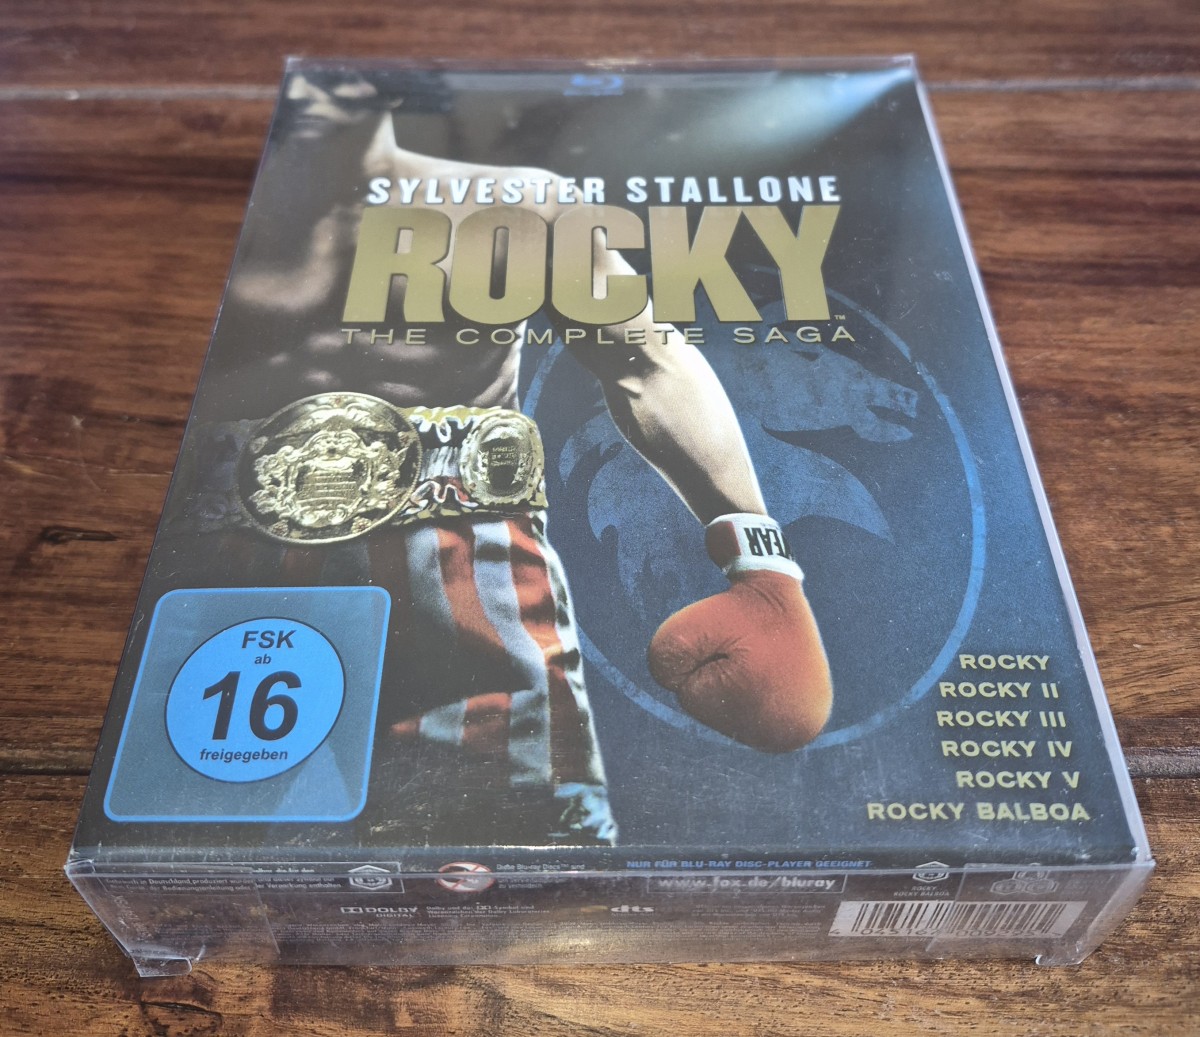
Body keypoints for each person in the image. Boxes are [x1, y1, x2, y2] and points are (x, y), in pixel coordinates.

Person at [188, 69, 833, 846]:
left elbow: (649, 361)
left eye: (346, 67)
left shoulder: (514, 205)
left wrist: (765, 571)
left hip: (462, 567)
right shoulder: (197, 222)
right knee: (201, 845)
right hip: (225, 565)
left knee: (515, 847)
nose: (317, 88)